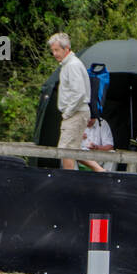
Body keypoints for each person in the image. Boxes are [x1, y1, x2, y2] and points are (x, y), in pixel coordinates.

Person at [48, 32, 93, 171]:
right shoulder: (68, 65)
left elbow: (79, 93)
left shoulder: (72, 65)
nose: (54, 54)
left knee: (65, 149)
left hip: (76, 112)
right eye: (53, 50)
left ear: (66, 48)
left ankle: (69, 179)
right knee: (74, 149)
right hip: (77, 112)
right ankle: (101, 171)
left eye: (57, 50)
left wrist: (68, 113)